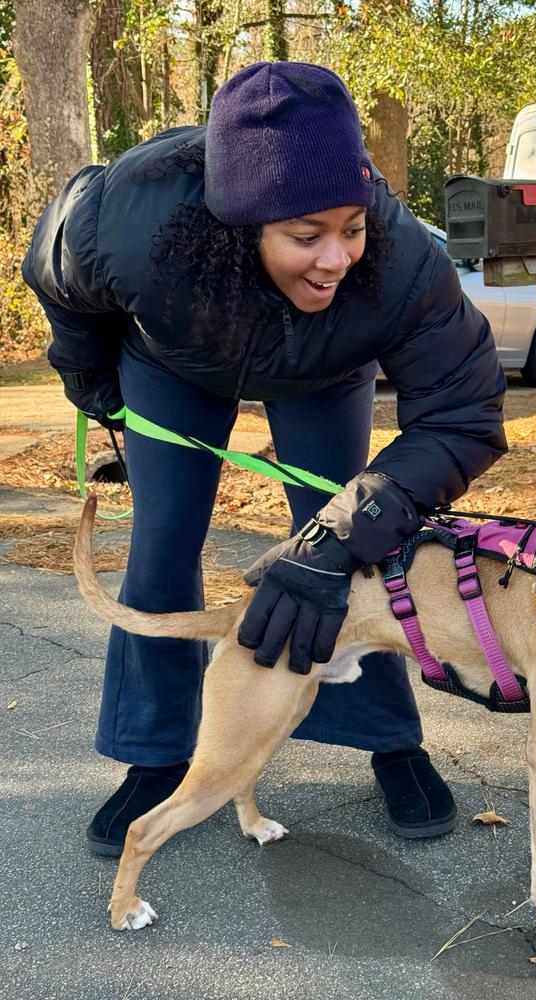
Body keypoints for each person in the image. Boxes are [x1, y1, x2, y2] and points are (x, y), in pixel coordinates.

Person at [22, 61, 507, 856]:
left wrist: (346, 532)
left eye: (350, 226)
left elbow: (464, 412)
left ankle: (388, 738)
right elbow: (60, 277)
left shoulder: (403, 261)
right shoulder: (130, 218)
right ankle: (158, 754)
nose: (335, 257)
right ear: (239, 224)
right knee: (165, 539)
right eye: (305, 236)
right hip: (174, 358)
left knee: (347, 542)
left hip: (326, 367)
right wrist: (94, 381)